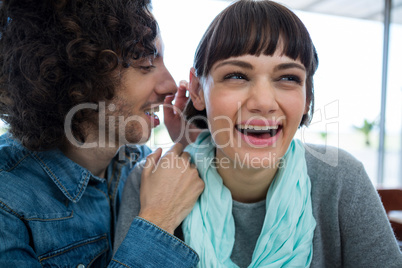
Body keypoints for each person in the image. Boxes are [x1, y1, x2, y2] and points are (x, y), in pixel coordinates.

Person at [115, 0, 402, 267]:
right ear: (198, 91)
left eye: (288, 78)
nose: (263, 102)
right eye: (236, 76)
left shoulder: (340, 179)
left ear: (307, 98)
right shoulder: (148, 182)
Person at [0, 0, 204, 267]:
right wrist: (158, 220)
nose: (169, 84)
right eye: (144, 63)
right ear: (78, 71)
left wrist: (194, 148)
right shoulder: (7, 201)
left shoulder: (143, 164)